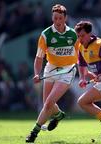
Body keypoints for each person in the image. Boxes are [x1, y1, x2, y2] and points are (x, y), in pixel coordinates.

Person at [26, 4, 78, 143]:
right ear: (52, 17)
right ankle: (59, 115)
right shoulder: (45, 35)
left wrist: (85, 73)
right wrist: (37, 73)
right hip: (51, 69)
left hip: (67, 70)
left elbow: (80, 55)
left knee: (49, 103)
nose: (57, 21)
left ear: (65, 18)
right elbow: (39, 57)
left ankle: (33, 133)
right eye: (55, 18)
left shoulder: (73, 34)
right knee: (47, 105)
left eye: (60, 18)